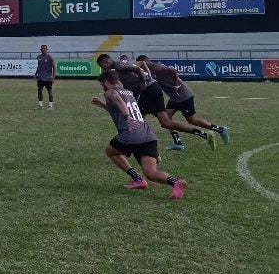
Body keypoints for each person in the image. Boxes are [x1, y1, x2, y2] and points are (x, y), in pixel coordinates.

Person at [92, 68, 186, 199]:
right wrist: (103, 105)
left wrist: (126, 117)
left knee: (110, 151)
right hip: (147, 135)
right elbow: (118, 107)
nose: (102, 88)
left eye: (102, 85)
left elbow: (119, 103)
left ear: (107, 82)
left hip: (130, 135)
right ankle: (176, 182)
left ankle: (137, 179)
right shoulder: (128, 92)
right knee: (151, 172)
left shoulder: (110, 92)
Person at [97, 54, 215, 150]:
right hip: (153, 89)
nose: (103, 68)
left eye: (102, 66)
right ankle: (203, 134)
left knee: (135, 118)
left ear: (106, 62)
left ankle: (137, 145)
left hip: (148, 91)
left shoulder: (119, 66)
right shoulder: (120, 65)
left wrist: (144, 82)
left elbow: (137, 68)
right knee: (166, 123)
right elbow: (140, 64)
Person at [137, 55, 230, 151]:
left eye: (141, 64)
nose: (140, 67)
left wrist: (176, 83)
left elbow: (172, 71)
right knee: (167, 120)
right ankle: (178, 143)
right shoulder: (150, 70)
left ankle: (221, 129)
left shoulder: (155, 67)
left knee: (191, 120)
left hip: (184, 96)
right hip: (174, 98)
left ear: (145, 61)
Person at [35, 44, 55, 109]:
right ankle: (40, 105)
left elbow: (54, 67)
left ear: (47, 49)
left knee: (50, 92)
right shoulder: (38, 57)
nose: (43, 49)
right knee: (39, 91)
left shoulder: (50, 57)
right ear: (40, 50)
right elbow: (38, 67)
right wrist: (35, 74)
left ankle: (50, 105)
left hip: (48, 78)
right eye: (42, 48)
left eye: (44, 48)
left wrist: (53, 77)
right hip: (40, 77)